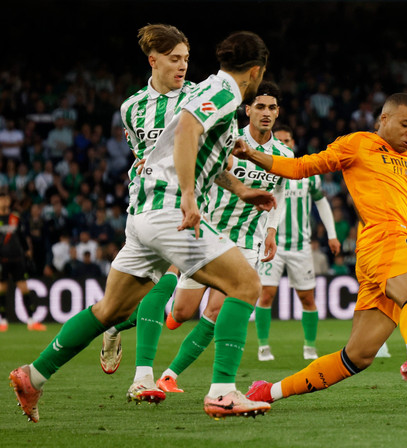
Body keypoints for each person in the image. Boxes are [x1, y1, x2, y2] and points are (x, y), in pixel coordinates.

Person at [10, 30, 274, 423]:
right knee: (247, 285)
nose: (182, 65)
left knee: (110, 309)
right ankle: (222, 391)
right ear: (257, 71)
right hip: (169, 209)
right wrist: (188, 194)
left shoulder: (204, 93)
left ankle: (34, 375)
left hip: (143, 212)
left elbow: (197, 156)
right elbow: (186, 132)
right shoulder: (222, 93)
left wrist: (240, 189)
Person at [234, 93, 407, 407]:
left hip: (379, 255)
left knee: (357, 356)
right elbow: (301, 166)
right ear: (384, 119)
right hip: (385, 237)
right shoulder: (357, 145)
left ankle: (267, 391)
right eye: (405, 124)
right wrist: (251, 155)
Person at [154, 81, 292, 393]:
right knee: (181, 312)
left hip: (246, 241)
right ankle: (163, 307)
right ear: (248, 110)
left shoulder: (283, 154)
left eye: (271, 107)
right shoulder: (229, 139)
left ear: (278, 112)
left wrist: (271, 231)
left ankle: (169, 375)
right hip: (209, 231)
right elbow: (207, 168)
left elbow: (279, 194)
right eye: (260, 106)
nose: (266, 113)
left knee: (214, 313)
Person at [99, 23, 197, 383]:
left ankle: (115, 324)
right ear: (154, 61)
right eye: (175, 59)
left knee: (177, 306)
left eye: (186, 58)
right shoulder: (132, 108)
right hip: (153, 204)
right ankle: (143, 379)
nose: (183, 66)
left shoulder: (198, 96)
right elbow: (142, 153)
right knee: (165, 282)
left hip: (193, 201)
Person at [253, 125, 341, 362]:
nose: (283, 144)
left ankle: (310, 347)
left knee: (307, 298)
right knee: (266, 295)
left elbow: (322, 202)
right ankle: (263, 347)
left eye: (287, 140)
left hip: (301, 246)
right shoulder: (263, 172)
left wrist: (331, 234)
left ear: (292, 144)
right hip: (273, 244)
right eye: (279, 140)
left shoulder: (306, 175)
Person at [0, 193, 47, 332]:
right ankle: (3, 321)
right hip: (2, 260)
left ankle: (31, 321)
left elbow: (21, 236)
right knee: (2, 289)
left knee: (24, 289)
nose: (4, 201)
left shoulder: (15, 218)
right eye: (2, 198)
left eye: (6, 198)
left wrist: (27, 251)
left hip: (17, 259)